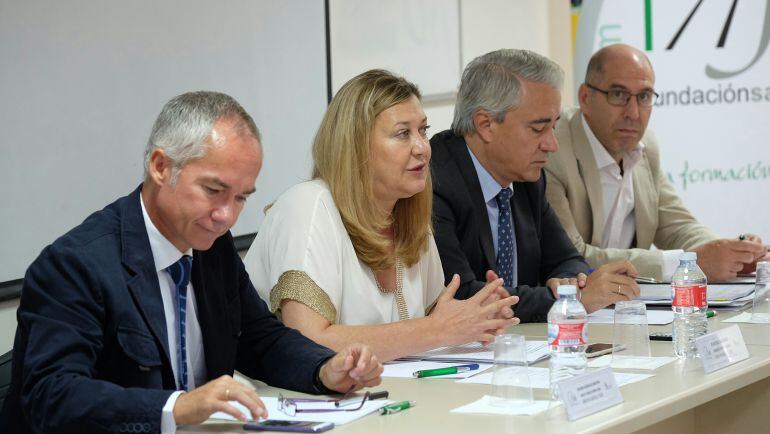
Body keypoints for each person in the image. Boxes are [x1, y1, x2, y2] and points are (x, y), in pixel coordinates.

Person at [0, 91, 382, 434]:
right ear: (160, 167)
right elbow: (52, 396)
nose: (226, 216)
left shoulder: (212, 248)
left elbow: (260, 338)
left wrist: (324, 369)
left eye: (241, 198)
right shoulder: (75, 265)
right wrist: (176, 407)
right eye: (214, 191)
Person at [244, 70, 518, 362]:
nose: (423, 148)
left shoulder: (409, 215)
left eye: (423, 131)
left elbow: (433, 323)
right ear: (356, 145)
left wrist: (475, 317)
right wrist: (438, 330)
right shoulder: (308, 206)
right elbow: (307, 341)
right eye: (403, 134)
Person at [431, 48, 641, 321]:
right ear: (485, 125)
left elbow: (567, 259)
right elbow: (462, 296)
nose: (551, 145)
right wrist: (572, 300)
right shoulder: (435, 182)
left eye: (553, 127)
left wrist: (567, 281)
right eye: (538, 129)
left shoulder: (526, 176)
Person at [545, 43, 768, 282]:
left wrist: (732, 254)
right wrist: (683, 263)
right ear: (585, 98)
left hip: (628, 299)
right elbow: (570, 257)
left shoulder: (645, 146)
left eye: (644, 96)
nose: (633, 113)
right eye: (618, 95)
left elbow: (677, 226)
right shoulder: (552, 149)